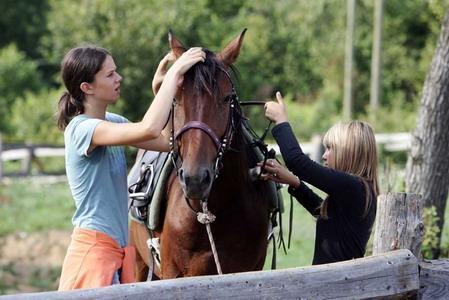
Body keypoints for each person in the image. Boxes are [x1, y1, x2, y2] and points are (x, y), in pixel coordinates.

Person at [56, 44, 205, 290]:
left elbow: (168, 140)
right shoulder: (81, 129)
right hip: (94, 253)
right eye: (110, 74)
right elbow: (148, 128)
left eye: (116, 71)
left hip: (118, 250)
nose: (119, 78)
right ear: (87, 87)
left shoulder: (113, 122)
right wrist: (174, 73)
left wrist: (163, 91)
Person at [261, 91, 379, 265]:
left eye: (331, 148)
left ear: (349, 153)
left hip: (335, 288)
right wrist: (295, 183)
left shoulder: (354, 187)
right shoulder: (359, 190)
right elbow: (327, 218)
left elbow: (298, 162)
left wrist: (281, 121)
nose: (324, 156)